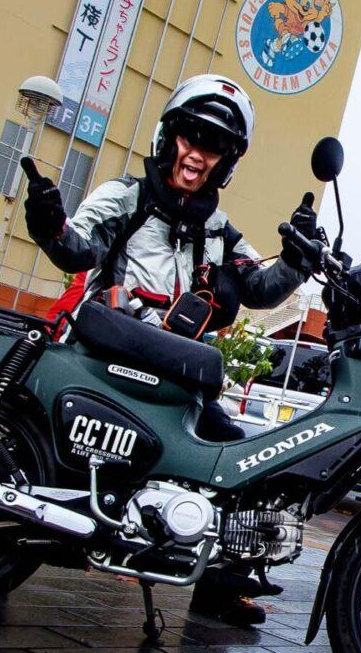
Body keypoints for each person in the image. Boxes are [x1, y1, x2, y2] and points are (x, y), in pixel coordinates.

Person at [21, 74, 315, 625]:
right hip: (102, 366)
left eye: (214, 147)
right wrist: (49, 223)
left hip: (175, 382)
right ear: (169, 136)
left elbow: (258, 287)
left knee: (244, 460)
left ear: (226, 162)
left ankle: (221, 583)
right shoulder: (124, 197)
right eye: (191, 137)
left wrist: (298, 257)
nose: (197, 155)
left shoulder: (219, 229)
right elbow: (76, 249)